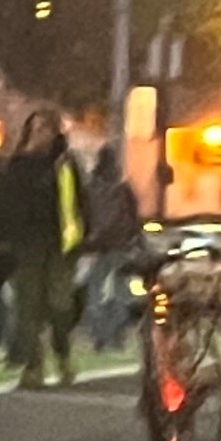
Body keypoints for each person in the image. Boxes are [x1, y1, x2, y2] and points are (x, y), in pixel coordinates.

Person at [1, 107, 85, 388]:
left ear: (55, 132)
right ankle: (32, 367)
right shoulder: (17, 165)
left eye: (45, 128)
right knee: (28, 309)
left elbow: (81, 203)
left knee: (59, 305)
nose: (39, 134)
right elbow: (6, 204)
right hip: (26, 247)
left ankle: (63, 355)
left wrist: (82, 238)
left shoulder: (65, 163)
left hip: (61, 246)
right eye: (35, 128)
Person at [77, 136, 145, 355]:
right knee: (122, 293)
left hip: (96, 247)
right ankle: (117, 333)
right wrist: (139, 244)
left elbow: (82, 218)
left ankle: (100, 335)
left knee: (93, 293)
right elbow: (134, 220)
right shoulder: (124, 189)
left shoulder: (89, 188)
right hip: (123, 247)